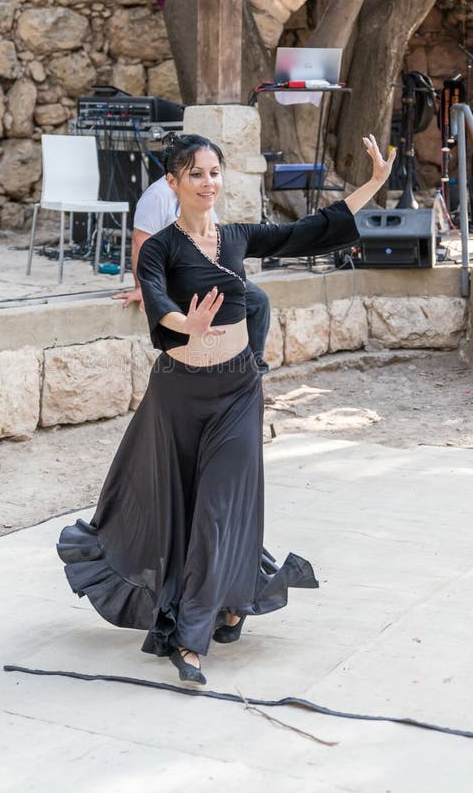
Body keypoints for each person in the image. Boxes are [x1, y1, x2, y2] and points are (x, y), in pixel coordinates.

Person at [58, 132, 395, 686]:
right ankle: (227, 604)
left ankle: (190, 641)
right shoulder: (161, 247)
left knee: (219, 509)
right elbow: (157, 297)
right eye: (195, 173)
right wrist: (180, 324)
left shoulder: (236, 237)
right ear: (174, 182)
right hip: (179, 395)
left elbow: (303, 233)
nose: (208, 182)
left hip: (237, 391)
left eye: (214, 172)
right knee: (184, 511)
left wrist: (372, 187)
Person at [113, 172, 272, 376]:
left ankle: (254, 373)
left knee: (258, 301)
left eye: (212, 171)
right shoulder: (157, 196)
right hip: (178, 275)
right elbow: (140, 239)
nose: (206, 178)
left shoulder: (203, 193)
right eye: (196, 171)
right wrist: (142, 287)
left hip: (209, 272)